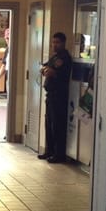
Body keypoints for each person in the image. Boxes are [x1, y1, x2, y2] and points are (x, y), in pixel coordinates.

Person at [40, 31, 73, 163]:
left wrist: (50, 71)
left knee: (57, 125)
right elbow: (44, 67)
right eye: (53, 42)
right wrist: (46, 70)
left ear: (63, 43)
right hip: (51, 95)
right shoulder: (54, 57)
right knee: (48, 124)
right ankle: (49, 151)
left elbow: (55, 72)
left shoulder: (64, 58)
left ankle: (58, 154)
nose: (54, 45)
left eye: (57, 42)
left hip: (59, 96)